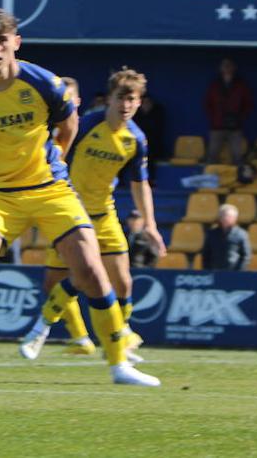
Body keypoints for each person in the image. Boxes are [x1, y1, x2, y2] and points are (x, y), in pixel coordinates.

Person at [0, 12, 158, 386]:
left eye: (2, 40)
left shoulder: (44, 83)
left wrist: (51, 160)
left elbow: (69, 124)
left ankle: (120, 364)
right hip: (0, 195)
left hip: (50, 189)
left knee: (90, 267)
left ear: (16, 42)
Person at [20, 67, 168, 360]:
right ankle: (43, 330)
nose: (126, 105)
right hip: (71, 214)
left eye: (133, 99)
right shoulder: (87, 125)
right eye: (121, 98)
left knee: (123, 281)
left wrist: (150, 224)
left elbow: (140, 184)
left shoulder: (135, 139)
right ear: (109, 99)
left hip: (104, 214)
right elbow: (52, 151)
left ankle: (119, 336)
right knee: (66, 279)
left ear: (139, 102)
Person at [205, 58, 252, 164]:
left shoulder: (241, 84)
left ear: (234, 68)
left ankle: (237, 179)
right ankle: (210, 180)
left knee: (237, 155)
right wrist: (214, 118)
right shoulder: (214, 85)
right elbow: (207, 104)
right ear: (220, 68)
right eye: (224, 65)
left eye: (229, 65)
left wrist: (240, 118)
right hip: (217, 126)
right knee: (212, 154)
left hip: (235, 127)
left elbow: (248, 104)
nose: (227, 68)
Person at [201, 203, 250, 271]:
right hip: (215, 272)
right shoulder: (211, 233)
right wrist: (207, 270)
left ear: (235, 218)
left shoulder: (241, 234)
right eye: (223, 215)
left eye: (229, 216)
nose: (225, 218)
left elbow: (245, 256)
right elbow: (206, 254)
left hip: (234, 273)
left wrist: (239, 271)